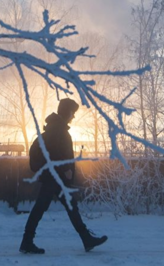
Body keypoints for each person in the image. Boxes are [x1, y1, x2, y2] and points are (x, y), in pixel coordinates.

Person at [20, 98, 108, 254]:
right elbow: (55, 154)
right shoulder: (58, 130)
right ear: (67, 112)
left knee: (60, 207)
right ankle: (27, 241)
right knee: (49, 208)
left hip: (53, 176)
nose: (73, 116)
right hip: (55, 177)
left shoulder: (56, 128)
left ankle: (85, 238)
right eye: (72, 113)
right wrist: (66, 170)